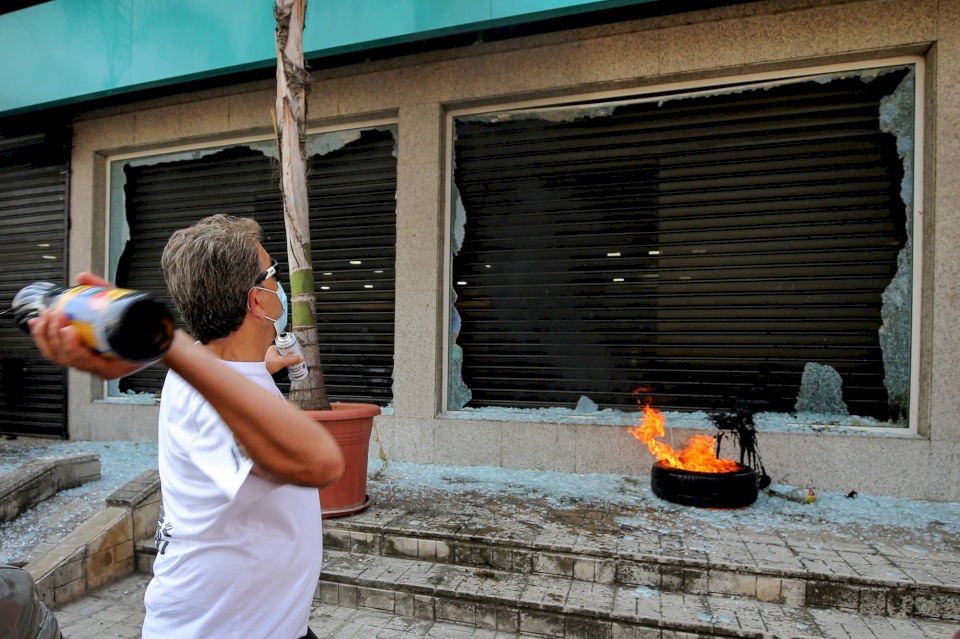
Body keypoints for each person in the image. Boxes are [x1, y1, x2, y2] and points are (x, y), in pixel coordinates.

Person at [28, 214, 345, 639]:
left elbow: (238, 373)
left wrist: (263, 363)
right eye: (273, 276)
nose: (280, 286)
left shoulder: (216, 369)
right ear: (257, 300)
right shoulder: (206, 396)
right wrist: (165, 344)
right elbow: (319, 462)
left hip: (272, 624)